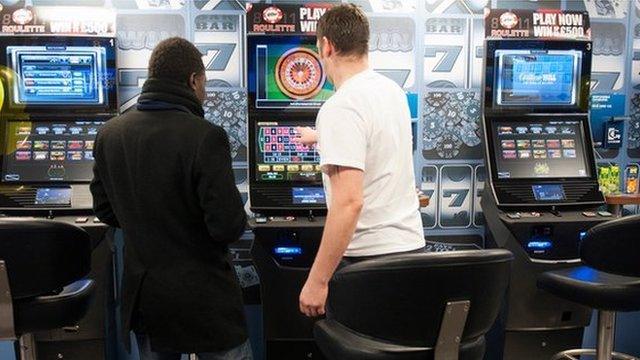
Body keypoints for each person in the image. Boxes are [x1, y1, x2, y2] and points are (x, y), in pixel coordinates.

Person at [90, 37, 252, 360]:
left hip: (147, 299)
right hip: (207, 300)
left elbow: (104, 209)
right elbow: (227, 226)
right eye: (204, 82)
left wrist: (148, 223)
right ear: (193, 80)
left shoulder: (109, 134)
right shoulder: (205, 136)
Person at [297, 4, 426, 318]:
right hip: (409, 253)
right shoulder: (391, 92)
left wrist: (317, 280)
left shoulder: (340, 106)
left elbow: (349, 203)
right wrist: (321, 136)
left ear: (327, 46)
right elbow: (374, 140)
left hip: (369, 263)